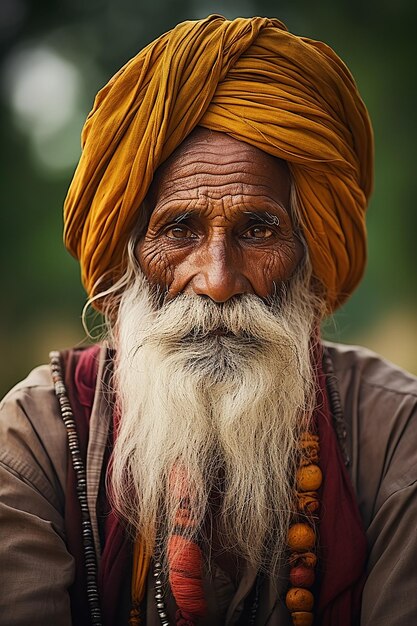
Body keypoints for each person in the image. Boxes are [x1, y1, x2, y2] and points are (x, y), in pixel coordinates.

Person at [0, 14, 416, 626]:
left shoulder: (394, 434)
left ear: (308, 256)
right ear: (129, 257)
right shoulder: (33, 437)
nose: (218, 280)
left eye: (259, 229)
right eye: (179, 229)